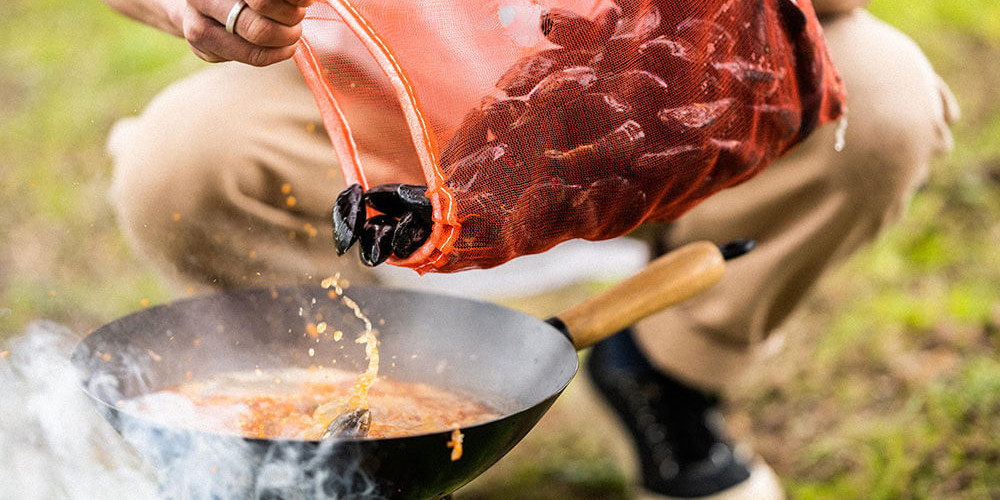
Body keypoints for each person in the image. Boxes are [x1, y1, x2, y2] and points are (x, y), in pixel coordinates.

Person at [102, 0, 958, 498]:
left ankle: (665, 374)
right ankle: (365, 404)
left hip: (671, 101)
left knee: (883, 97)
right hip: (392, 133)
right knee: (179, 164)